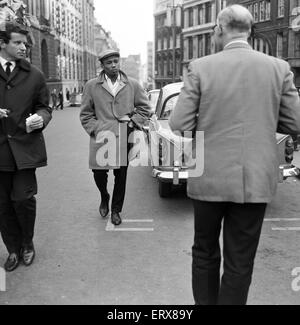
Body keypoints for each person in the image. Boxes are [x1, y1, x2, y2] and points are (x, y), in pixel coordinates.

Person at [169, 5, 300, 305]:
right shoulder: (279, 68)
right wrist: (264, 117)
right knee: (240, 261)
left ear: (219, 29)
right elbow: (295, 123)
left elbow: (179, 123)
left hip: (208, 178)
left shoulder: (200, 67)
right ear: (250, 31)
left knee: (204, 251)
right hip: (254, 180)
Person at [0, 22, 52, 272]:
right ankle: (12, 249)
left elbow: (45, 106)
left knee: (23, 199)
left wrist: (41, 118)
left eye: (25, 43)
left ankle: (27, 243)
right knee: (2, 205)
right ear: (2, 43)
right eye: (17, 42)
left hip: (24, 149)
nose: (23, 47)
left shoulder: (35, 75)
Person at [80, 49, 151, 226]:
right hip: (102, 136)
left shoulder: (132, 84)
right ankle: (104, 196)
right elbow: (85, 114)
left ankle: (116, 210)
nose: (113, 65)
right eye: (109, 62)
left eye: (116, 61)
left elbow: (145, 108)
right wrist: (96, 129)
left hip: (123, 135)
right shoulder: (91, 85)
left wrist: (133, 123)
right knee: (98, 173)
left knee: (121, 175)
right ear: (102, 65)